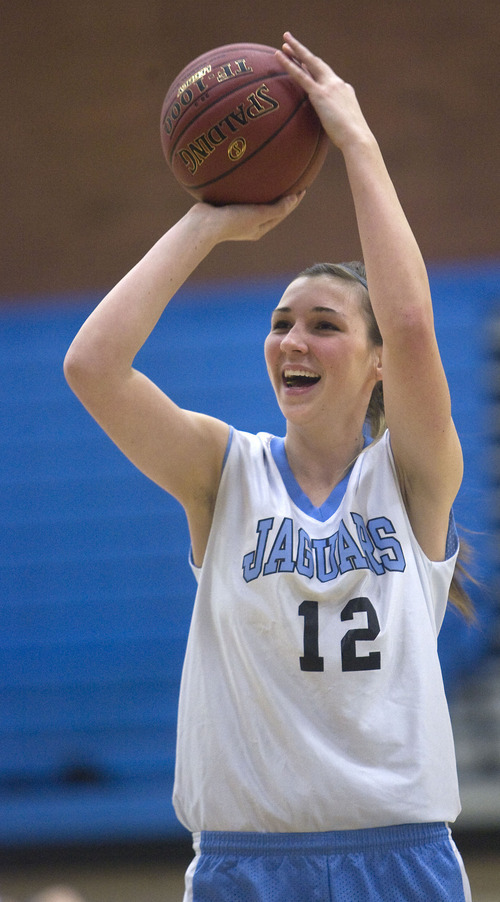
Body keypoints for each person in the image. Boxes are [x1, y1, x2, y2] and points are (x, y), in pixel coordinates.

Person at [64, 31, 473, 902]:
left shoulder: (411, 481)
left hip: (400, 859)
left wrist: (355, 139)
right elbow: (93, 366)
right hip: (246, 863)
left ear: (374, 366)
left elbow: (411, 325)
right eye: (282, 321)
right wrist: (207, 221)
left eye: (324, 324)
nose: (292, 339)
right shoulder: (225, 471)